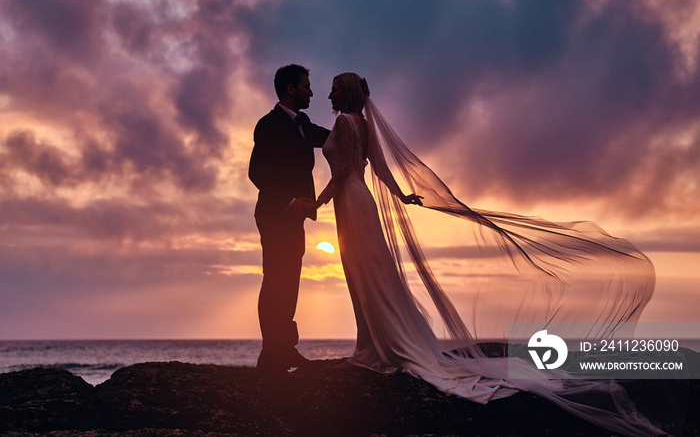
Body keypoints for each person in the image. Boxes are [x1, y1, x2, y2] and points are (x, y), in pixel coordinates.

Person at [311, 72, 660, 436]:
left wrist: (315, 203)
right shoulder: (361, 123)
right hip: (355, 200)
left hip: (350, 199)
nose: (329, 91)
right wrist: (401, 196)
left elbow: (346, 173)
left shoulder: (349, 123)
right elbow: (380, 170)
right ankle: (369, 346)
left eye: (335, 87)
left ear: (347, 92)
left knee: (366, 276)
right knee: (366, 275)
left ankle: (370, 351)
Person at [248, 64, 331, 373]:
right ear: (291, 88)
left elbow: (328, 138)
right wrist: (290, 201)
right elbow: (257, 172)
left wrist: (356, 126)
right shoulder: (268, 124)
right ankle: (271, 354)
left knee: (290, 281)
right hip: (274, 214)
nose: (311, 92)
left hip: (295, 218)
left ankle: (284, 349)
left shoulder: (303, 122)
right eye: (306, 86)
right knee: (275, 281)